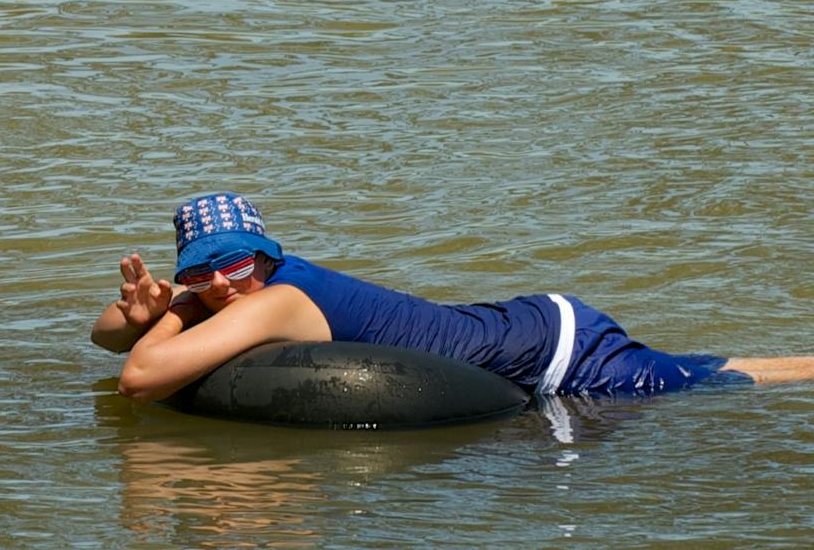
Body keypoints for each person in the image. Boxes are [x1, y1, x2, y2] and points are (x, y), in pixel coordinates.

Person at [92, 191, 814, 402]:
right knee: (707, 374)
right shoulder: (243, 294)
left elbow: (137, 377)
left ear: (268, 256)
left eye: (236, 265)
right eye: (198, 275)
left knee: (714, 385)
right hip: (523, 326)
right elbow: (104, 340)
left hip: (553, 351)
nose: (221, 284)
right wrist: (136, 315)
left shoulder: (273, 302)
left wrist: (163, 320)